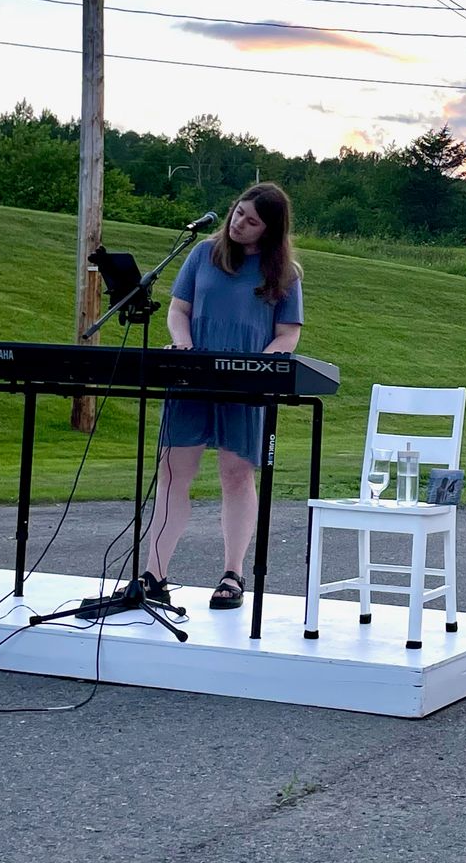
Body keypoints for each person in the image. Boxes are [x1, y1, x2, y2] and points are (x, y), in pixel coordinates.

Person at [141, 182, 303, 611]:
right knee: (173, 472)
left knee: (236, 474)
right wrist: (183, 344)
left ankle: (232, 573)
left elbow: (287, 335)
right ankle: (154, 575)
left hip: (245, 386)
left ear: (270, 230)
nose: (239, 224)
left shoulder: (284, 274)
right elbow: (179, 309)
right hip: (191, 377)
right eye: (238, 213)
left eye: (252, 221)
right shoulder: (202, 254)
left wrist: (259, 368)